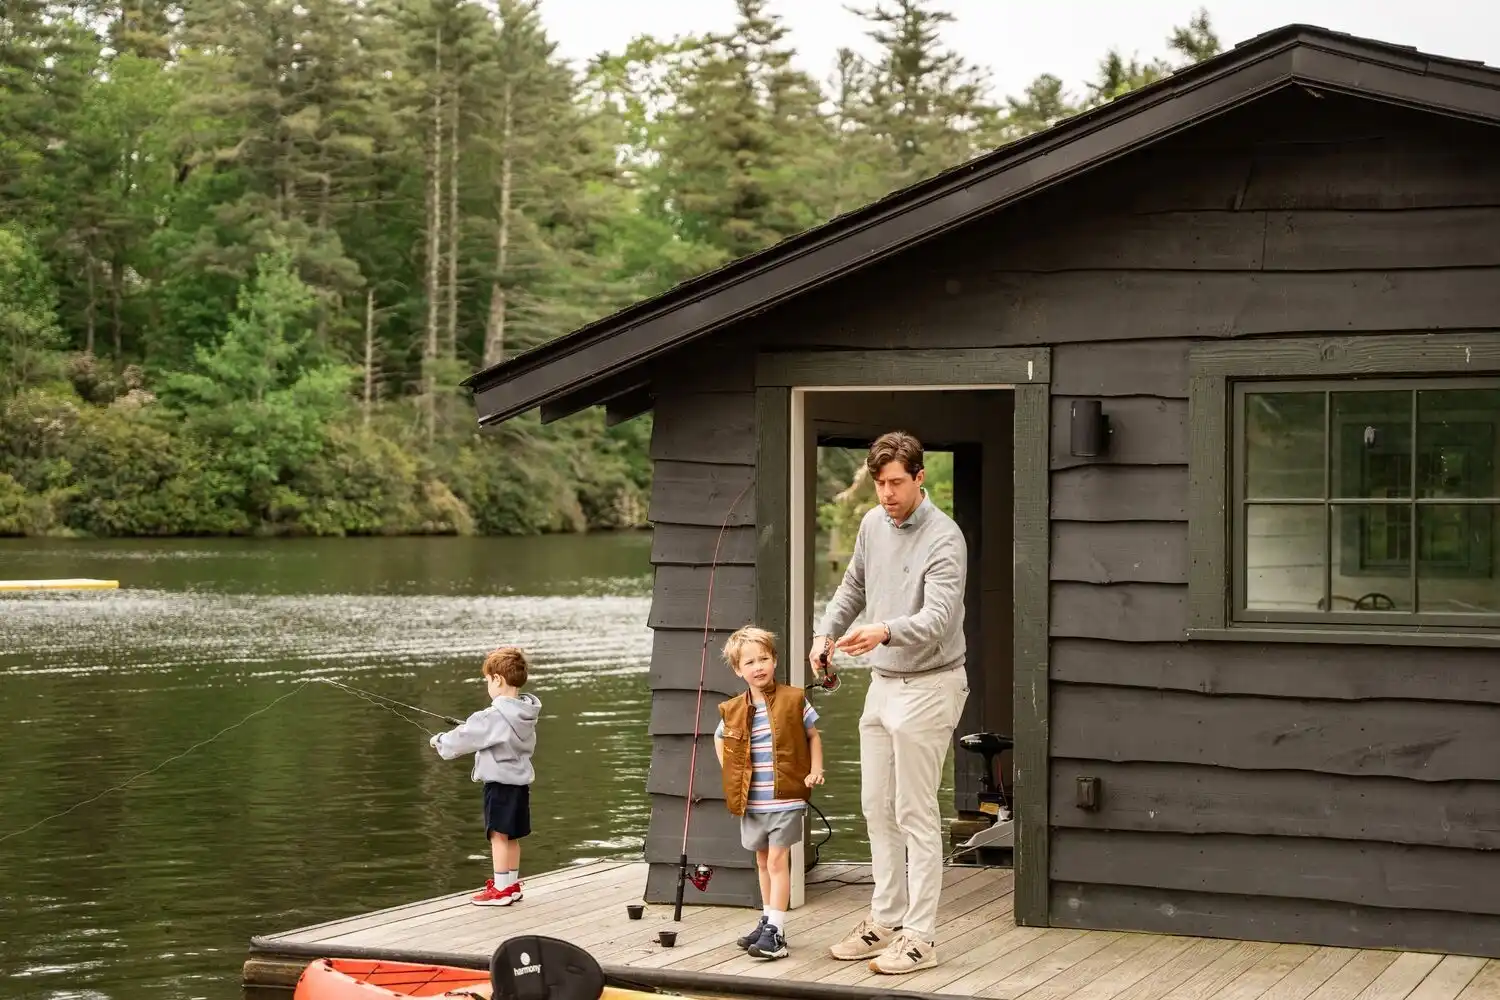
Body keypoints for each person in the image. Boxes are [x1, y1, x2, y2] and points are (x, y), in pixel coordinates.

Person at [811, 431, 968, 975]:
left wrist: (882, 631)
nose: (886, 494)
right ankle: (885, 919)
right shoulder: (873, 524)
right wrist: (824, 635)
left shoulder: (945, 538)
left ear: (919, 478)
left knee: (915, 811)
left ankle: (921, 936)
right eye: (879, 484)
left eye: (897, 483)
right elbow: (853, 584)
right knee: (877, 806)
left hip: (931, 682)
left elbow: (938, 622)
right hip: (883, 683)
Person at [713, 626, 825, 961]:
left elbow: (813, 736)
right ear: (738, 669)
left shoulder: (794, 699)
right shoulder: (732, 709)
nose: (758, 666)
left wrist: (815, 770)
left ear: (774, 660)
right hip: (753, 800)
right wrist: (729, 771)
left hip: (787, 797)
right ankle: (767, 919)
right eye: (750, 662)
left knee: (777, 860)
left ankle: (777, 933)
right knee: (762, 860)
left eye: (764, 658)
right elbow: (719, 738)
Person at [430, 646, 541, 907]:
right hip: (519, 785)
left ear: (498, 679)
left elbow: (463, 738)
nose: (487, 685)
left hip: (499, 785)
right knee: (511, 835)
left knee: (498, 835)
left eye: (487, 680)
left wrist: (439, 741)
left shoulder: (492, 716)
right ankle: (511, 885)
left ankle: (501, 890)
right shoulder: (525, 715)